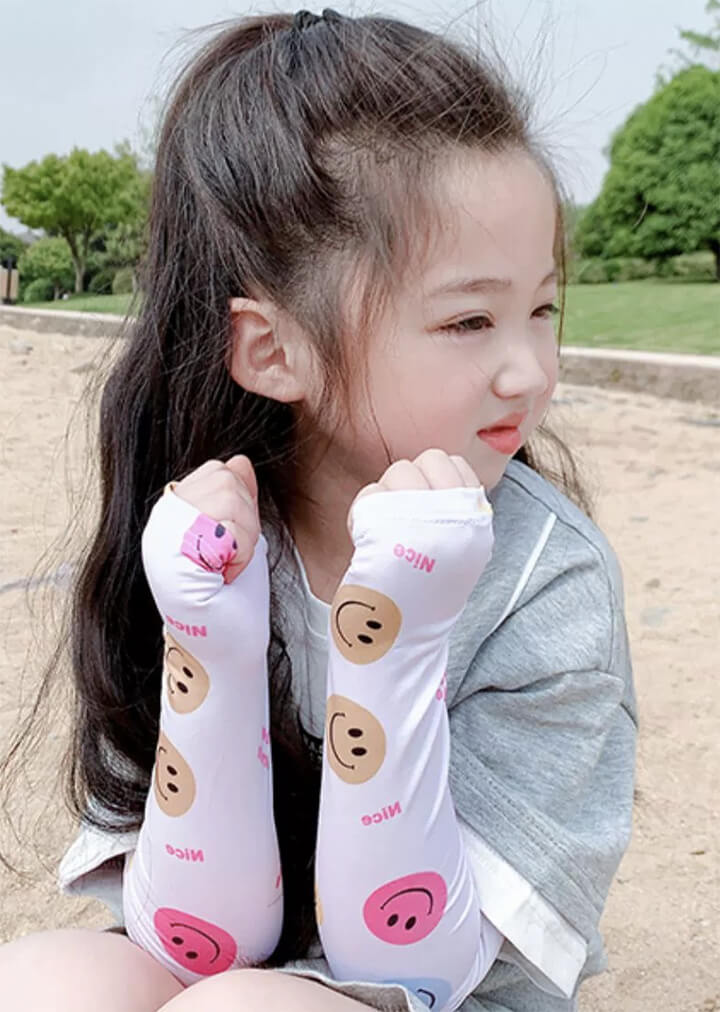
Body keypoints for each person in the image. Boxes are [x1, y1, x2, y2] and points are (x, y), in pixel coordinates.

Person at [0, 8, 637, 1012]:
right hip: (235, 960)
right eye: (471, 319)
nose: (530, 370)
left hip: (450, 986)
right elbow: (196, 942)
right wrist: (210, 643)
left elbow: (418, 967)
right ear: (273, 350)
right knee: (43, 981)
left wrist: (392, 643)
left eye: (542, 309)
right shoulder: (205, 534)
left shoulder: (544, 582)